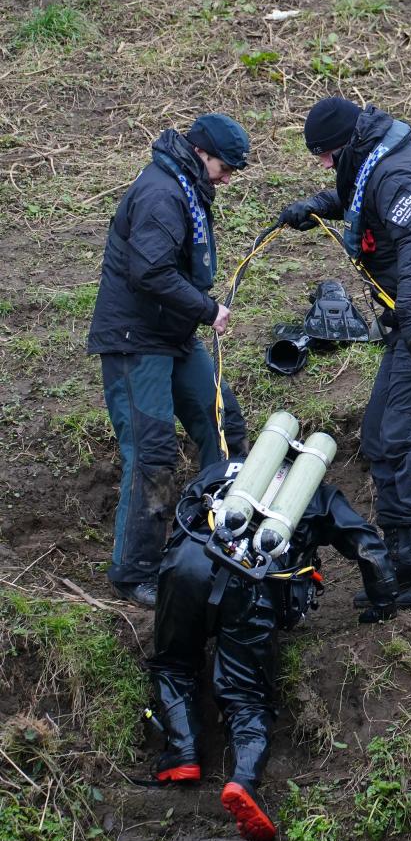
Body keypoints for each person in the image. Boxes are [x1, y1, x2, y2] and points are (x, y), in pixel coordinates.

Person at [278, 98, 411, 608]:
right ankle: (404, 559)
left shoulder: (398, 173)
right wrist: (317, 206)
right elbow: (357, 199)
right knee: (378, 434)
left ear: (348, 143)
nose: (327, 165)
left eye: (328, 156)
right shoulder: (374, 159)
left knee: (402, 433)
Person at [149, 456, 399, 841]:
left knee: (174, 664)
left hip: (187, 564)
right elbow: (368, 548)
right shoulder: (318, 495)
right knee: (247, 698)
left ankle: (182, 753)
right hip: (251, 581)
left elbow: (183, 511)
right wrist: (383, 602)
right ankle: (243, 782)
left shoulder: (221, 469)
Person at [87, 114, 251, 608]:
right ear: (202, 153)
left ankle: (216, 539)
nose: (228, 177)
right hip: (137, 342)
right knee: (153, 452)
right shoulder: (162, 192)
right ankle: (134, 572)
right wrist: (207, 309)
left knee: (223, 424)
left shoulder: (186, 186)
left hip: (173, 335)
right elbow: (151, 271)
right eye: (226, 167)